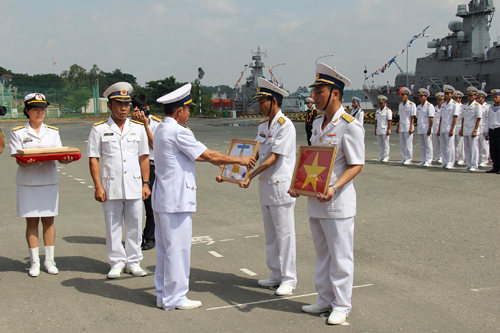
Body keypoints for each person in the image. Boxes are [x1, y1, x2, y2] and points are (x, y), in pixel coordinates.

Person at [154, 83, 255, 311]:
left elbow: (196, 156)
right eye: (188, 109)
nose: (189, 113)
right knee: (178, 250)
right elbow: (209, 154)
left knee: (165, 250)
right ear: (179, 110)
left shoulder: (162, 128)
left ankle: (162, 294)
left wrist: (217, 161)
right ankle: (176, 297)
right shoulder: (178, 131)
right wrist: (238, 160)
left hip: (164, 199)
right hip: (177, 200)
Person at [289, 63, 364, 325]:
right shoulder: (319, 122)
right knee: (322, 253)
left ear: (334, 93)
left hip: (337, 201)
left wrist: (334, 187)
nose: (314, 96)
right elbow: (312, 160)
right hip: (315, 199)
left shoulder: (349, 125)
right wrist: (297, 184)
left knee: (340, 255)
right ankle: (324, 299)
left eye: (319, 91)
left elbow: (356, 165)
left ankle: (342, 304)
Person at [239, 77, 297, 296]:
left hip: (280, 187)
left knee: (285, 234)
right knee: (271, 234)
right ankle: (275, 274)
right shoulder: (264, 125)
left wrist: (250, 176)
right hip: (266, 187)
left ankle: (289, 279)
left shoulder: (286, 126)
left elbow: (273, 158)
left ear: (273, 101)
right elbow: (255, 150)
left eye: (262, 101)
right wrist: (235, 171)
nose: (259, 105)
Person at [87, 82, 150, 279]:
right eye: (118, 104)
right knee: (113, 225)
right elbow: (93, 159)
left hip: (134, 184)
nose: (123, 108)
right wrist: (97, 186)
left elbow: (144, 157)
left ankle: (134, 261)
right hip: (110, 184)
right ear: (109, 106)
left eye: (126, 104)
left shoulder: (138, 128)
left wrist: (146, 183)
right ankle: (116, 262)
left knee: (135, 225)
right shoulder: (99, 129)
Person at [9, 93, 74, 277]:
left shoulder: (52, 131)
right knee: (31, 222)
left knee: (49, 221)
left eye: (43, 109)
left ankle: (49, 260)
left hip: (48, 181)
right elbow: (18, 159)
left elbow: (58, 155)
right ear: (27, 111)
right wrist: (25, 161)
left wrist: (66, 160)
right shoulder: (18, 132)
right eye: (35, 109)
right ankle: (34, 262)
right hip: (28, 183)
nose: (40, 112)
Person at [131, 93, 161, 251]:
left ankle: (150, 237)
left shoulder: (156, 124)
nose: (142, 112)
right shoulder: (128, 124)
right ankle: (134, 238)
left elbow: (154, 145)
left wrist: (145, 124)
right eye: (138, 109)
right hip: (133, 166)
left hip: (151, 165)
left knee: (150, 205)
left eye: (145, 109)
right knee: (133, 205)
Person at [437, 85, 460, 169]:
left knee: (450, 146)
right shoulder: (443, 105)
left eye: (448, 93)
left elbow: (455, 117)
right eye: (445, 93)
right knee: (443, 146)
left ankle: (450, 162)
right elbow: (441, 117)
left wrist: (452, 129)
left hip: (449, 127)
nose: (446, 95)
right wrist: (439, 129)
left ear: (452, 94)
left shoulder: (455, 104)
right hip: (443, 127)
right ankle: (445, 161)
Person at [459, 88, 481, 172]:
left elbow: (478, 118)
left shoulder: (477, 106)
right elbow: (463, 118)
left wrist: (475, 130)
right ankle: (468, 164)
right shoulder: (465, 106)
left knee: (474, 148)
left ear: (475, 96)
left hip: (472, 129)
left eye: (472, 95)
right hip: (466, 129)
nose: (470, 97)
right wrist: (461, 129)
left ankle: (474, 165)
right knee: (467, 148)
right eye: (469, 95)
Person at [395, 87, 416, 165]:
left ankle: (409, 158)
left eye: (404, 95)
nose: (403, 96)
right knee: (402, 144)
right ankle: (404, 157)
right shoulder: (400, 105)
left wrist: (411, 127)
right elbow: (400, 117)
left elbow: (412, 117)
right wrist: (398, 127)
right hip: (402, 126)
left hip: (408, 126)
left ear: (408, 96)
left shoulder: (411, 105)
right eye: (402, 94)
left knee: (408, 144)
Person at [416, 88, 435, 167]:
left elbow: (431, 118)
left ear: (426, 97)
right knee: (422, 145)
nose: (420, 98)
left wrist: (430, 128)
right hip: (420, 128)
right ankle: (423, 159)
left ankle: (429, 160)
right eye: (419, 96)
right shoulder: (419, 107)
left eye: (422, 96)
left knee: (428, 145)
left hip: (427, 128)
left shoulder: (429, 106)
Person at [485, 89, 500, 173]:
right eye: (494, 97)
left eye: (496, 97)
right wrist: (486, 131)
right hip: (492, 130)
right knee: (493, 150)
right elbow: (488, 120)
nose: (494, 99)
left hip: (499, 129)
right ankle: (495, 167)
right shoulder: (491, 108)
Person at [374, 95, 392, 162]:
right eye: (379, 103)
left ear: (385, 103)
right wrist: (375, 129)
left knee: (386, 144)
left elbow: (389, 120)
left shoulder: (388, 111)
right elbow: (376, 121)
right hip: (379, 129)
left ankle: (386, 156)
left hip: (385, 129)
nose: (380, 104)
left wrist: (389, 130)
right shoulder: (377, 111)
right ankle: (381, 156)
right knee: (380, 144)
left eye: (382, 103)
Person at [476, 90, 490, 167]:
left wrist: (486, 130)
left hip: (483, 128)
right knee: (477, 145)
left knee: (484, 145)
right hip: (476, 128)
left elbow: (488, 119)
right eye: (477, 97)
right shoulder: (476, 106)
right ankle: (478, 159)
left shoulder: (487, 107)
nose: (477, 99)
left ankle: (484, 160)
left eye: (479, 97)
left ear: (483, 98)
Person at [453, 91, 465, 165]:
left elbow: (463, 118)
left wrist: (462, 128)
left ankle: (461, 158)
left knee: (461, 144)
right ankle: (455, 158)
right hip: (453, 127)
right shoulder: (453, 106)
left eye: (457, 98)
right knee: (453, 144)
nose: (456, 99)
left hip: (460, 127)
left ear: (460, 99)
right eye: (454, 98)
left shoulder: (462, 107)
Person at [433, 92, 444, 164]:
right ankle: (437, 156)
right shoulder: (434, 108)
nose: (439, 101)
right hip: (434, 128)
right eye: (438, 100)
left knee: (442, 144)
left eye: (441, 100)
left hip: (442, 128)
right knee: (436, 144)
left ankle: (441, 157)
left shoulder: (444, 108)